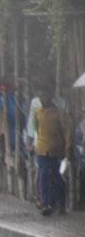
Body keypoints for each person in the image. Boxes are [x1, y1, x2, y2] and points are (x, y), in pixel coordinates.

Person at [33, 88, 71, 216]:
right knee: (43, 176)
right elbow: (37, 130)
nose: (42, 100)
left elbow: (66, 132)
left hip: (56, 151)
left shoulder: (59, 114)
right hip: (42, 150)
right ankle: (46, 203)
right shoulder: (38, 113)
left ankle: (60, 203)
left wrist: (67, 147)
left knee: (57, 177)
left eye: (44, 98)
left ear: (50, 98)